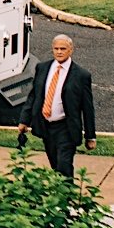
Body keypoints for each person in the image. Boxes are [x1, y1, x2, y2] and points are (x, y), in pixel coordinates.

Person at [17, 34, 97, 178]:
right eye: (56, 48)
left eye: (63, 49)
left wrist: (90, 136)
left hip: (66, 127)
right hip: (46, 126)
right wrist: (24, 120)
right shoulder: (42, 68)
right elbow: (34, 96)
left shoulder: (81, 75)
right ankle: (59, 195)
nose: (59, 52)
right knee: (55, 164)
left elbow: (87, 107)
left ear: (71, 50)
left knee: (64, 165)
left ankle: (67, 197)